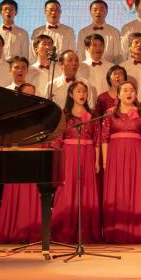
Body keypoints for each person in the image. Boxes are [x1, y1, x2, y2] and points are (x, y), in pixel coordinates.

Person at [50, 81, 102, 243]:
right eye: (78, 91)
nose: (82, 94)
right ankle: (65, 229)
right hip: (69, 155)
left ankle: (86, 231)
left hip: (88, 153)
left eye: (84, 91)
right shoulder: (64, 115)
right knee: (68, 189)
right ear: (71, 94)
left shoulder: (93, 115)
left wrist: (97, 161)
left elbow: (97, 139)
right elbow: (57, 141)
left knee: (86, 190)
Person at [101, 81, 141, 243]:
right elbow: (104, 138)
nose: (129, 93)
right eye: (125, 90)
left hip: (136, 153)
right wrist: (105, 161)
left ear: (136, 94)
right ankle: (116, 231)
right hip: (115, 154)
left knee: (134, 188)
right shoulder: (110, 112)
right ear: (118, 94)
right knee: (117, 190)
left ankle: (137, 231)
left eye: (132, 90)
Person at [78, 0, 122, 64]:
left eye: (101, 9)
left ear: (106, 12)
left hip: (109, 68)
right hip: (87, 67)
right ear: (90, 12)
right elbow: (80, 54)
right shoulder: (83, 32)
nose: (98, 12)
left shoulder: (114, 31)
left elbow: (118, 55)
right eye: (95, 10)